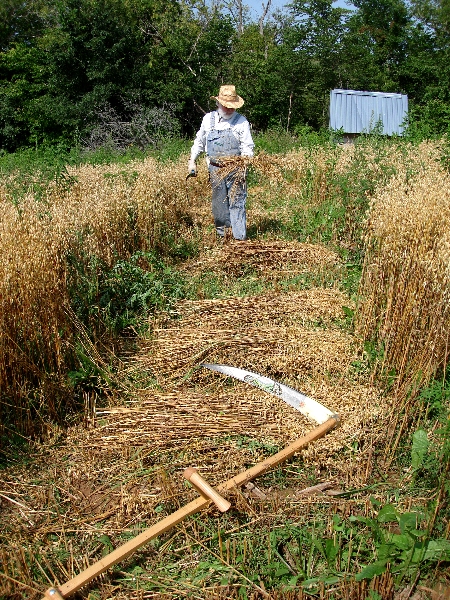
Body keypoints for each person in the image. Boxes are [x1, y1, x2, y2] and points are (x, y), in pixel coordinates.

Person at [188, 85, 254, 241]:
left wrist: (244, 162)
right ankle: (224, 237)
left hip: (236, 169)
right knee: (219, 205)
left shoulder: (241, 122)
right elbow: (199, 141)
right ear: (218, 103)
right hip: (215, 169)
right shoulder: (208, 120)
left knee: (237, 203)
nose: (229, 109)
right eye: (226, 106)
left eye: (232, 106)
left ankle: (239, 240)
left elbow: (248, 147)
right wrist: (192, 160)